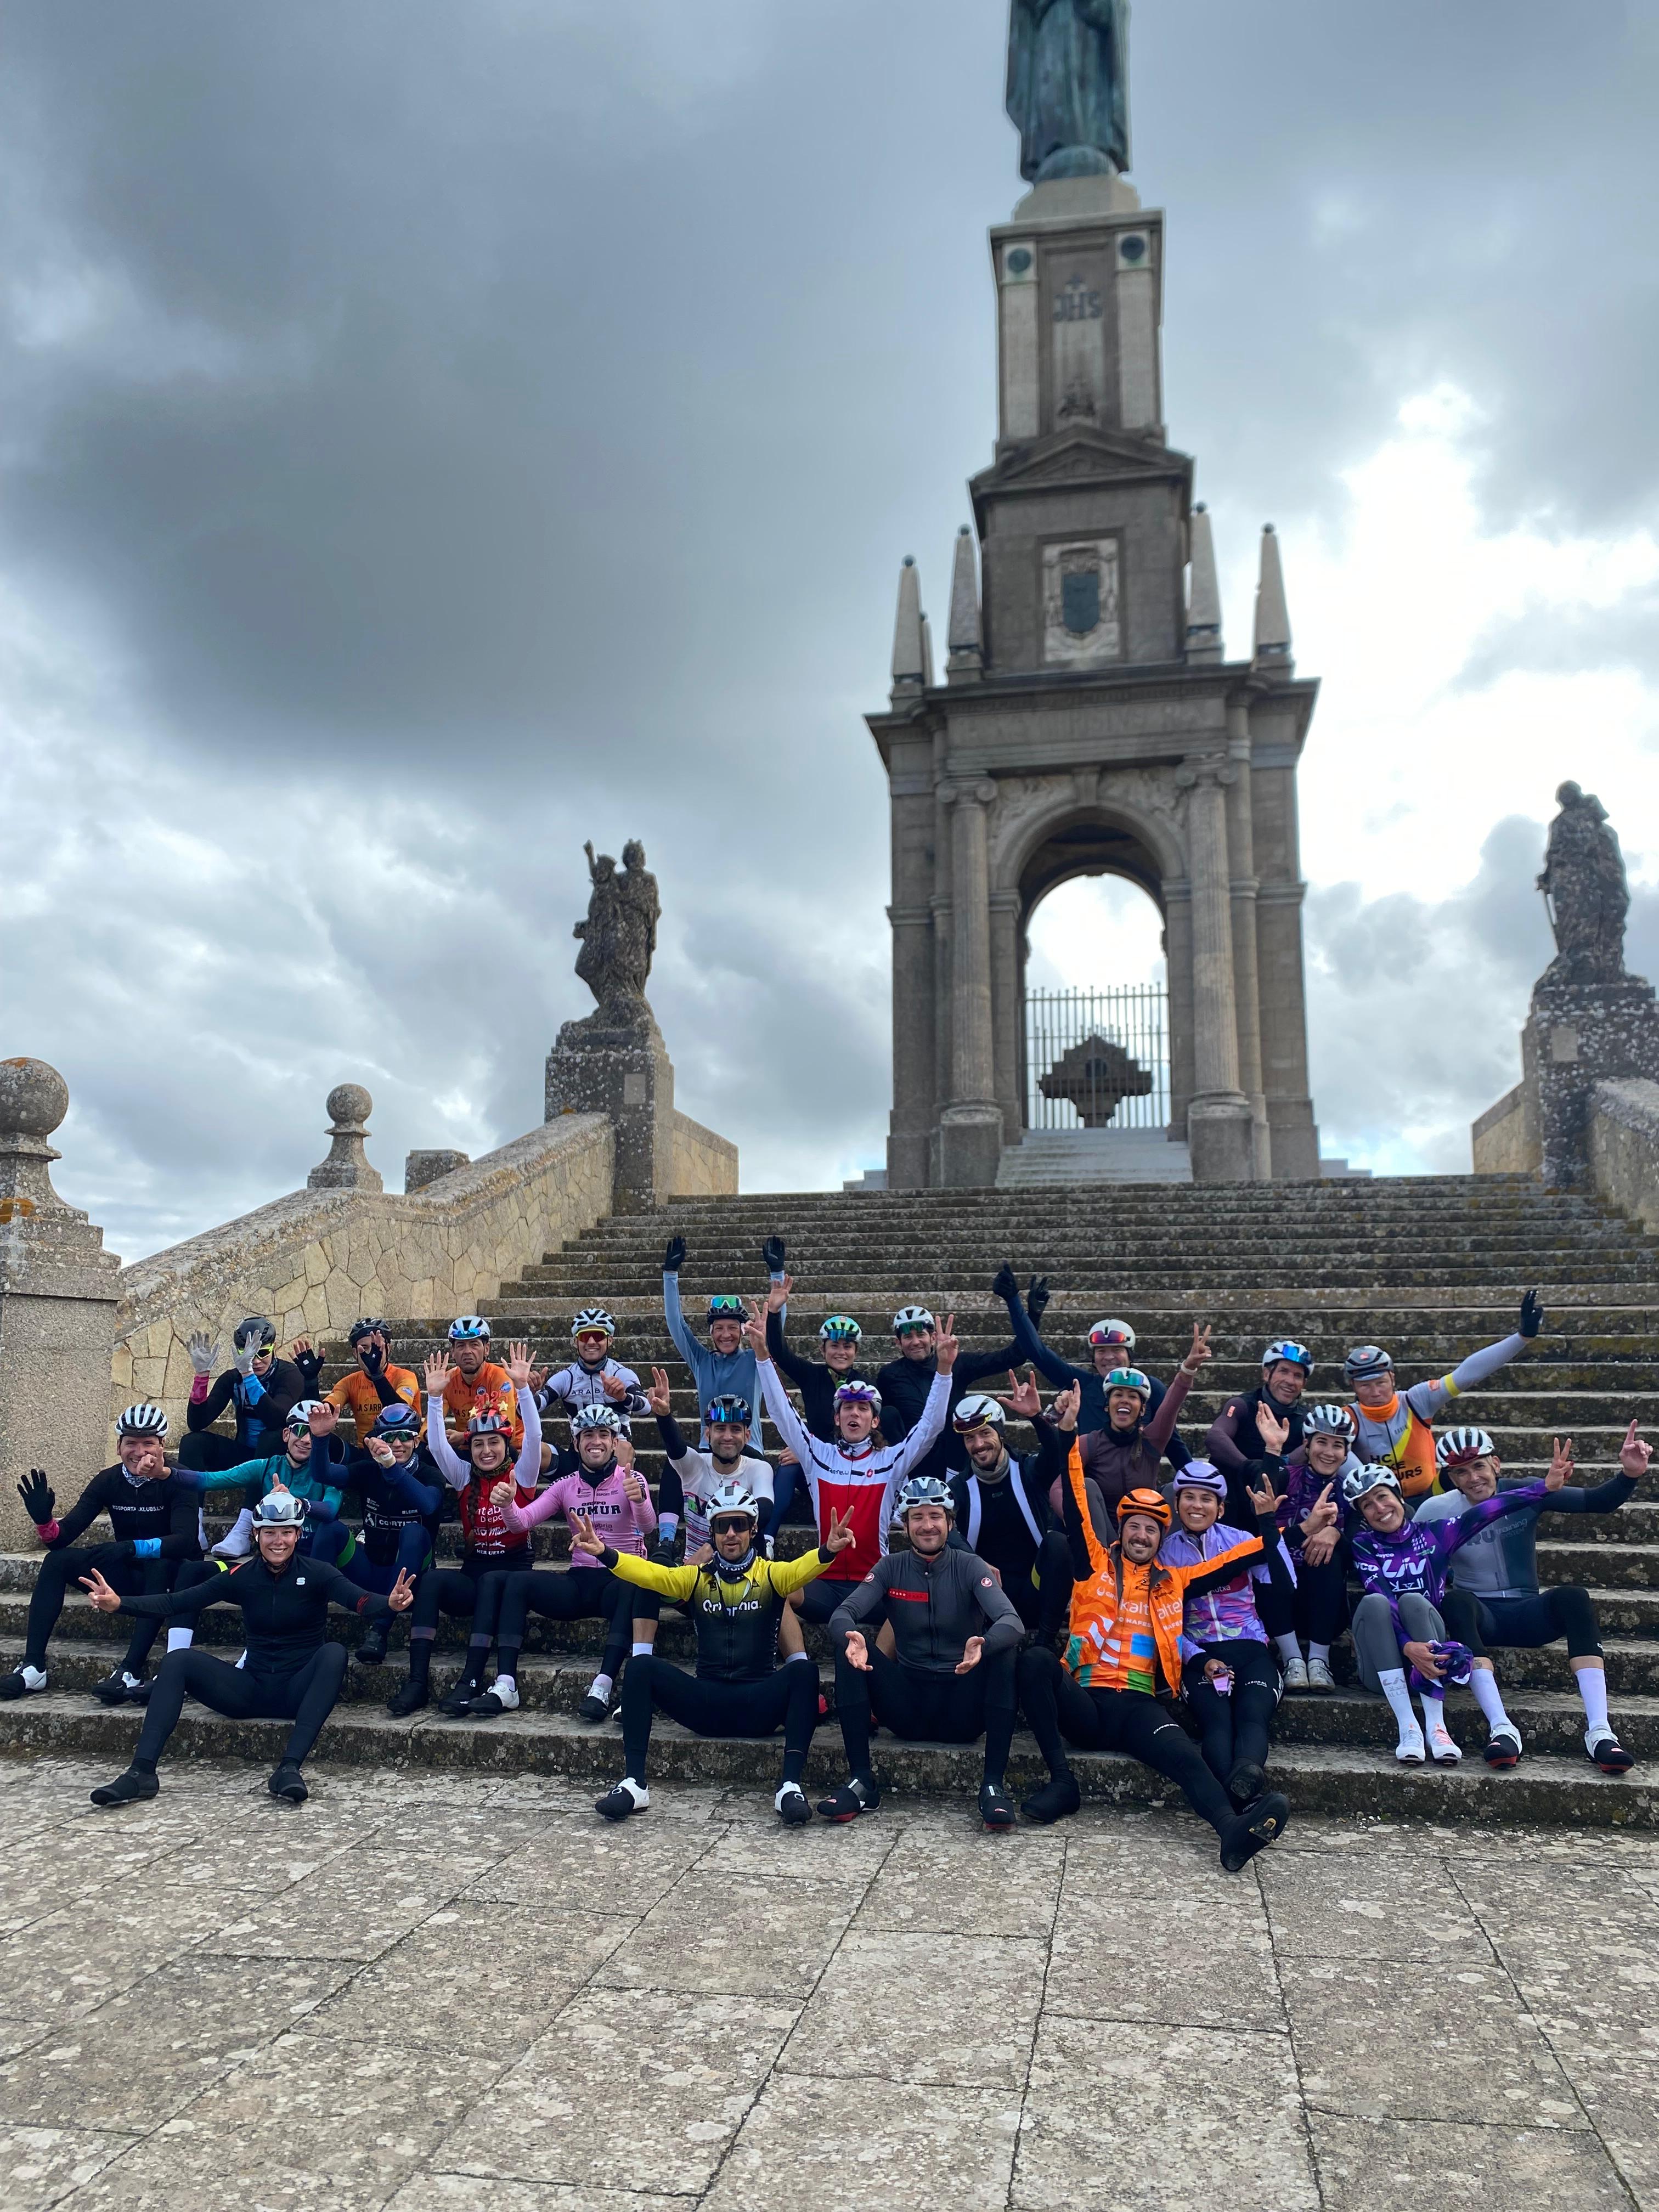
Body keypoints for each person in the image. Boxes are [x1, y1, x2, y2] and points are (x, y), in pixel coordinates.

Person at [1015, 1384, 1292, 1870]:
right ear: (1120, 1530)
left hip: (1138, 1704)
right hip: (1084, 1699)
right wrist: (1066, 1431)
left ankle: (1231, 1831)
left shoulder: (1176, 1580)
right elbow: (1077, 1495)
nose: (1142, 1534)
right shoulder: (1093, 1564)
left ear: (1162, 1537)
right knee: (1036, 1659)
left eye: (1152, 1528)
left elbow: (1240, 1557)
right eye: (1134, 1526)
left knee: (1186, 1758)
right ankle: (1063, 1781)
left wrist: (1271, 1524)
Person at [81, 1491, 414, 1808]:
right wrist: (119, 1603)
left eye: (287, 1532)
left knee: (334, 1652)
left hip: (298, 1689)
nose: (278, 1541)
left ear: (298, 1535)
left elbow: (360, 1601)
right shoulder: (241, 1576)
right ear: (256, 1535)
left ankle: (289, 1767)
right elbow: (177, 1601)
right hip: (249, 1689)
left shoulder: (318, 1573)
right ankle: (141, 1772)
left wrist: (391, 1603)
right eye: (270, 1533)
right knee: (177, 1660)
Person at [578, 1485, 857, 1826]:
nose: (730, 1534)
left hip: (759, 1705)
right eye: (722, 1526)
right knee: (640, 1667)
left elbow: (803, 1568)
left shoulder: (772, 1574)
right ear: (711, 1532)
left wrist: (828, 1550)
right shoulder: (695, 1577)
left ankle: (790, 1785)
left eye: (739, 1525)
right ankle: (635, 1783)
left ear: (753, 1530)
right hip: (705, 1704)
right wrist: (605, 1553)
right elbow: (650, 1574)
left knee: (804, 1672)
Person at [1418, 1421, 1646, 1772]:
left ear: (1496, 1463)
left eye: (1478, 1466)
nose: (1472, 1478)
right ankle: (1501, 1728)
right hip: (1481, 1618)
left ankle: (1601, 1732)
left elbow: (1597, 1501)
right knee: (1457, 1601)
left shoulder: (1528, 1491)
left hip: (1529, 1613)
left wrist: (1629, 1475)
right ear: (1450, 1476)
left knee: (1574, 1596)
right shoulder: (1435, 1510)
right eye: (1460, 1472)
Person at [817, 1471, 1025, 1830]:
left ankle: (993, 1784)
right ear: (905, 1524)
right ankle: (861, 1781)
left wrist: (984, 1645)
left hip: (963, 1709)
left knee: (1005, 1651)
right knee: (850, 1647)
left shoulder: (970, 1566)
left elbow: (1012, 1621)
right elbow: (843, 1613)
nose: (927, 1526)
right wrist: (850, 1636)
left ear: (950, 1522)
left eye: (935, 1516)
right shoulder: (891, 1567)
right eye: (918, 1517)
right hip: (906, 1706)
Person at [1342, 1453, 1566, 1765]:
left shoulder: (1434, 1531)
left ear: (1398, 1494)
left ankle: (1437, 1728)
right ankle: (1408, 1728)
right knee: (1376, 1601)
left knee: (1413, 1601)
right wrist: (1408, 1647)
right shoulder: (1364, 1544)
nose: (1380, 1509)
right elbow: (1380, 1592)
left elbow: (1488, 1511)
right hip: (1385, 1665)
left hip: (1437, 1660)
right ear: (1363, 1515)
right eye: (1368, 1505)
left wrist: (1543, 1488)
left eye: (1382, 1497)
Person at [748, 1305, 956, 1623]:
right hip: (826, 1582)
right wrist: (763, 1357)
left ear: (875, 1421)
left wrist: (943, 1371)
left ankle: (884, 1667)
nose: (854, 1414)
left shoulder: (891, 1461)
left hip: (874, 1584)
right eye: (847, 1408)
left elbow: (930, 1427)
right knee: (774, 1587)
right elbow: (782, 1412)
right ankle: (799, 1662)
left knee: (912, 1603)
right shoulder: (818, 1456)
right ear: (837, 1417)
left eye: (862, 1408)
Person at [461, 1401, 658, 1723]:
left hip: (619, 1579)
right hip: (579, 1580)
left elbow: (648, 1527)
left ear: (614, 1442)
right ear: (576, 1443)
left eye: (604, 1435)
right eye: (588, 1435)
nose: (596, 1441)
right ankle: (506, 1683)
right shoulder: (566, 1485)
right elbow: (522, 1522)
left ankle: (603, 1685)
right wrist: (509, 1505)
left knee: (634, 1588)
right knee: (515, 1581)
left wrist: (637, 1498)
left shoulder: (631, 1477)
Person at [1, 1406, 205, 1708]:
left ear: (162, 1445)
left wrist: (130, 1547)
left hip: (175, 1577)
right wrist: (44, 1520)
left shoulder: (181, 1477)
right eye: (131, 1443)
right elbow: (61, 1539)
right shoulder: (108, 1480)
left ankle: (131, 1671)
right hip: (131, 1575)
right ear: (120, 1446)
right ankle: (33, 1667)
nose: (139, 1452)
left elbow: (185, 1541)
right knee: (58, 1562)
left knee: (159, 1565)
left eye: (148, 1443)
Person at [1161, 1459, 1329, 1808]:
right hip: (1200, 1654)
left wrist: (1268, 1524)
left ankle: (1242, 1788)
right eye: (1188, 1497)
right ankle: (1246, 1802)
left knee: (1253, 1716)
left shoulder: (1242, 1541)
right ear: (1176, 1505)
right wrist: (1201, 1658)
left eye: (1206, 1499)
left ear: (1220, 1508)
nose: (1197, 1505)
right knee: (1218, 1722)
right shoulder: (1164, 1553)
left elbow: (1285, 1585)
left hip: (1250, 1650)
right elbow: (1164, 1622)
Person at [389, 1344, 543, 1717]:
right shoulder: (463, 1476)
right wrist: (436, 1397)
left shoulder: (521, 1474)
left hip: (511, 1577)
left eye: (494, 1443)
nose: (486, 1450)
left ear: (506, 1446)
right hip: (475, 1574)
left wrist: (523, 1390)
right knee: (431, 1581)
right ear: (470, 1449)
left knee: (493, 1583)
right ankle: (417, 1681)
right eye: (478, 1444)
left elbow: (535, 1438)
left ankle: (471, 1678)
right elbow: (439, 1447)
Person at [1344, 1290, 1545, 1499]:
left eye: (1381, 1383)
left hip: (1431, 1494)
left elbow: (1467, 1375)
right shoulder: (1348, 1418)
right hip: (1382, 1501)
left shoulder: (1416, 1400)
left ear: (1393, 1379)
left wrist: (1522, 1337)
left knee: (1464, 1464)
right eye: (1365, 1386)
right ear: (1353, 1386)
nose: (1376, 1392)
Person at [945, 1386, 1075, 1642]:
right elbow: (943, 1528)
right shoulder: (959, 1487)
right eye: (970, 1438)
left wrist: (1037, 1417)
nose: (979, 1445)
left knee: (1058, 1543)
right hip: (988, 1596)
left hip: (1034, 1590)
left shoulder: (1028, 1469)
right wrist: (975, 1561)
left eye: (985, 1434)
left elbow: (1054, 1455)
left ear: (1001, 1434)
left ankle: (1046, 1643)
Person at [990, 1268, 1179, 1445]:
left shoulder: (1152, 1387)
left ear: (1130, 1354)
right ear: (1093, 1358)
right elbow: (1037, 1352)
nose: (1109, 1357)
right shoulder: (1083, 1385)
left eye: (1117, 1350)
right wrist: (1014, 1301)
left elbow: (1174, 1444)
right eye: (1101, 1351)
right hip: (1090, 1478)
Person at [1049, 1323, 1212, 1523]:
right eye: (1118, 1395)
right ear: (1107, 1407)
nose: (1125, 1400)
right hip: (1100, 1535)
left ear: (1143, 1409)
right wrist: (1079, 1524)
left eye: (1133, 1397)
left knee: (1173, 1490)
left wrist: (1188, 1369)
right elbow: (1059, 1487)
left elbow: (1171, 1405)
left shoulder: (1153, 1440)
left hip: (1145, 1531)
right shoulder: (1088, 1443)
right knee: (1087, 1488)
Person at [178, 1399, 356, 1566]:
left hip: (317, 1554)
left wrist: (296, 1503)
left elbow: (330, 1510)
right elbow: (210, 1480)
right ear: (286, 1434)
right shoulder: (267, 1466)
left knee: (331, 1528)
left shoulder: (331, 1472)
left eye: (315, 1436)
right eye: (301, 1431)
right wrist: (167, 1473)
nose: (307, 1440)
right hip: (280, 1551)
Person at [341, 1403, 447, 1668]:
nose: (397, 1443)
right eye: (389, 1437)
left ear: (417, 1439)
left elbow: (429, 1505)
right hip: (373, 1572)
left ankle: (379, 1630)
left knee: (412, 1532)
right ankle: (309, 1624)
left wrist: (392, 1468)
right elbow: (324, 1474)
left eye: (405, 1436)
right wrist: (319, 1439)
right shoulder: (368, 1470)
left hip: (413, 1580)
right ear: (378, 1440)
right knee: (332, 1531)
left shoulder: (429, 1474)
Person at [1266, 1403, 1361, 1691]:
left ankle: (1320, 1661)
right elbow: (1261, 1493)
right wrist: (1272, 1449)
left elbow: (1361, 1547)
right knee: (1269, 1552)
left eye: (1338, 1446)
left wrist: (1335, 1534)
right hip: (1275, 1603)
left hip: (1325, 1606)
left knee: (1329, 1554)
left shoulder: (1351, 1492)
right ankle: (1293, 1659)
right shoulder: (1285, 1477)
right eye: (1321, 1442)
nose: (1329, 1452)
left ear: (1347, 1454)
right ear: (1307, 1445)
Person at [874, 1301, 1024, 1479]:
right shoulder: (889, 1375)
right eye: (908, 1337)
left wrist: (1026, 1312)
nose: (915, 1342)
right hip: (911, 1461)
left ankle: (956, 1483)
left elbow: (1015, 1356)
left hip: (954, 1458)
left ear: (933, 1337)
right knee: (888, 1414)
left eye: (921, 1335)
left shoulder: (957, 1363)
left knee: (957, 1412)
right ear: (898, 1342)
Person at [661, 1236, 786, 1448]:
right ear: (711, 1333)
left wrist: (777, 1273)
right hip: (708, 1452)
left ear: (743, 1331)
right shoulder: (701, 1361)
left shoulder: (756, 1359)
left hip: (750, 1452)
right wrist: (670, 1274)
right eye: (719, 1328)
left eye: (732, 1328)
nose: (725, 1335)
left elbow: (775, 1328)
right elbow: (676, 1323)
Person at [179, 1317, 320, 1474]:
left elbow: (275, 1420)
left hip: (279, 1455)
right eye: (246, 1354)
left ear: (274, 1348)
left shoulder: (290, 1375)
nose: (256, 1361)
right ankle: (189, 1499)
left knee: (271, 1436)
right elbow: (197, 1423)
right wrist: (201, 1376)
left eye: (263, 1352)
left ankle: (256, 1498)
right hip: (245, 1453)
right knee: (192, 1442)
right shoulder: (232, 1378)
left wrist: (248, 1375)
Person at [1204, 1340, 1316, 1515]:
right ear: (1266, 1374)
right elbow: (1215, 1436)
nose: (1290, 1381)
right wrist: (1249, 1467)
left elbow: (1316, 1446)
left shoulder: (1306, 1418)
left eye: (1298, 1376)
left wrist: (1278, 1465)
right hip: (1233, 1497)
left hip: (1278, 1502)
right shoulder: (1242, 1405)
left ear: (1304, 1384)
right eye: (1283, 1371)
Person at [537, 1308, 649, 1427]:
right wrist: (527, 1392)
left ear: (609, 1340)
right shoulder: (566, 1378)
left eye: (598, 1336)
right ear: (576, 1342)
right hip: (580, 1444)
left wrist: (623, 1397)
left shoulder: (621, 1374)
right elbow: (522, 1413)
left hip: (617, 1443)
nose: (591, 1342)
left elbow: (646, 1409)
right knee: (540, 1447)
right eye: (584, 1337)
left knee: (625, 1448)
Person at [326, 1318, 421, 1447]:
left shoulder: (406, 1377)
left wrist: (377, 1374)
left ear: (388, 1349)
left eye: (377, 1348)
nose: (371, 1353)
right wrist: (310, 1382)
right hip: (366, 1450)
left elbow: (399, 1410)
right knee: (324, 1438)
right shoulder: (349, 1382)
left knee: (372, 1436)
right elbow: (324, 1411)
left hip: (401, 1448)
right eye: (364, 1348)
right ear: (355, 1353)